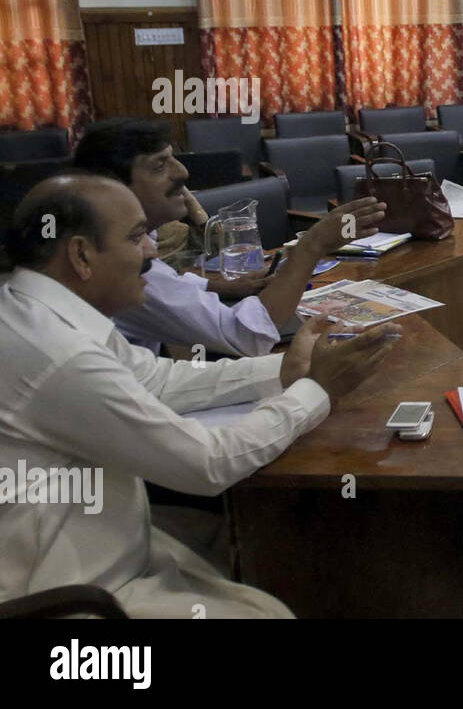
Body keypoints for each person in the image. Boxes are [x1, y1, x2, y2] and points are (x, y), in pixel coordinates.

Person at [0, 174, 400, 617]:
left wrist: (282, 371)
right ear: (80, 254)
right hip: (69, 593)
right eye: (137, 238)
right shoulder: (58, 353)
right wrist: (314, 391)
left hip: (101, 539)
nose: (154, 251)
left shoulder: (37, 312)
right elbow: (206, 463)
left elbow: (157, 381)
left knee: (270, 544)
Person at [73, 120, 386, 357]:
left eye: (173, 158)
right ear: (114, 187)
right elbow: (246, 336)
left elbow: (171, 279)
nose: (182, 171)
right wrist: (312, 245)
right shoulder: (124, 266)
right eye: (159, 165)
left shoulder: (135, 243)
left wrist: (221, 285)